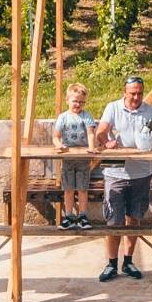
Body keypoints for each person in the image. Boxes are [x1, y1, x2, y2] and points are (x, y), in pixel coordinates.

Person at [92, 74, 152, 282]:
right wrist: (106, 141)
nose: (136, 97)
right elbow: (102, 130)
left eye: (140, 93)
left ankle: (129, 261)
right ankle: (112, 263)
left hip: (141, 172)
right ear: (125, 92)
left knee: (134, 218)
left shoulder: (151, 111)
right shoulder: (113, 107)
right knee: (114, 220)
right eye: (133, 93)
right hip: (115, 172)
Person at [50, 82, 97, 229]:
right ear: (68, 100)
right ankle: (68, 215)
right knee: (68, 188)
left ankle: (83, 215)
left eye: (81, 102)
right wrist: (59, 145)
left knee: (83, 188)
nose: (78, 104)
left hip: (83, 158)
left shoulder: (86, 116)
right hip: (68, 158)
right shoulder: (63, 117)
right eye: (75, 101)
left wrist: (91, 147)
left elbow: (90, 133)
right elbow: (56, 136)